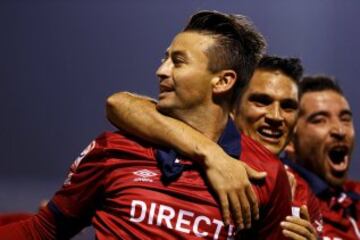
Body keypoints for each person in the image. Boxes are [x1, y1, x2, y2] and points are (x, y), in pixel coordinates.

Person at [0, 10, 274, 239]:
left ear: (223, 81)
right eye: (164, 59)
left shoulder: (266, 175)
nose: (161, 70)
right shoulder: (113, 149)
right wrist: (210, 153)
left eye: (178, 62)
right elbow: (43, 230)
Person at [106, 55, 319, 239]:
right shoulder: (186, 156)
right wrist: (212, 154)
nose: (275, 116)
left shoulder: (303, 195)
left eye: (288, 106)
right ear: (233, 107)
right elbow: (120, 103)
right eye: (261, 101)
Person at [284, 75, 360, 239]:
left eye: (345, 119)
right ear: (290, 140)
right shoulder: (280, 192)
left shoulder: (355, 200)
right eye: (320, 120)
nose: (339, 131)